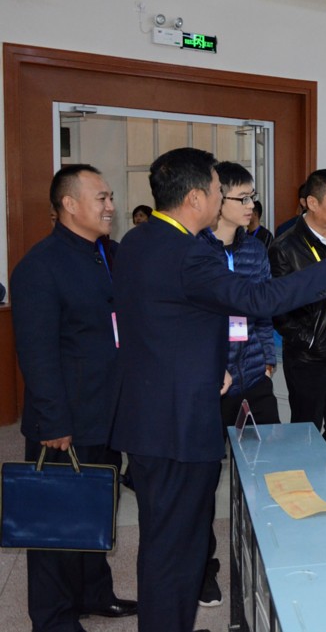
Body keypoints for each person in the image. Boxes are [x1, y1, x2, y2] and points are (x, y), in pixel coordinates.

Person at [110, 147, 326, 632]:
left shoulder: (139, 240)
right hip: (177, 421)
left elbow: (167, 322)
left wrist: (208, 363)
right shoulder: (189, 252)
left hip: (153, 408)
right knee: (177, 545)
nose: (225, 200)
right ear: (196, 198)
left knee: (165, 540)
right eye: (219, 191)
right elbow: (257, 298)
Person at [11, 164, 137, 631]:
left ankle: (94, 594)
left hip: (107, 412)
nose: (111, 207)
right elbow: (37, 353)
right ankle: (54, 619)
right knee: (56, 524)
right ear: (69, 204)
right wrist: (53, 422)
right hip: (65, 420)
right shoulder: (40, 266)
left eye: (110, 198)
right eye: (101, 198)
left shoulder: (109, 255)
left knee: (96, 509)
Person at [195, 162, 279, 608]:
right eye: (242, 198)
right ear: (216, 198)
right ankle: (203, 569)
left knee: (272, 467)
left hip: (253, 376)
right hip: (210, 383)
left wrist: (267, 358)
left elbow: (262, 307)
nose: (251, 206)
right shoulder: (194, 249)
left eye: (253, 197)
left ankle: (273, 553)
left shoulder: (255, 249)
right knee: (204, 481)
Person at [269, 169, 326, 469]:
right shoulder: (285, 247)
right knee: (306, 431)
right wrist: (308, 339)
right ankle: (306, 485)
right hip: (308, 358)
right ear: (312, 202)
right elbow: (279, 307)